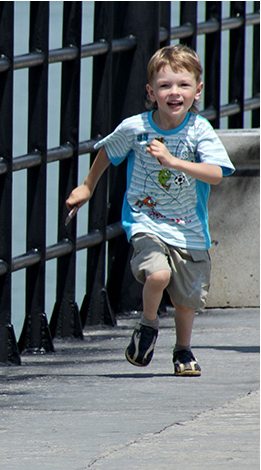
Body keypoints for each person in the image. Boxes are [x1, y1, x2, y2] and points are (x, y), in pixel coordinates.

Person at [66, 44, 234, 376]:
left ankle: (183, 350)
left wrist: (174, 162)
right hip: (146, 220)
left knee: (187, 300)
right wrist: (87, 186)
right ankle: (147, 324)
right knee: (158, 274)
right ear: (151, 91)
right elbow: (108, 152)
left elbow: (216, 174)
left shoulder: (199, 130)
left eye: (183, 85)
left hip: (190, 228)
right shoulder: (136, 127)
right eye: (165, 85)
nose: (174, 92)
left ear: (197, 90)